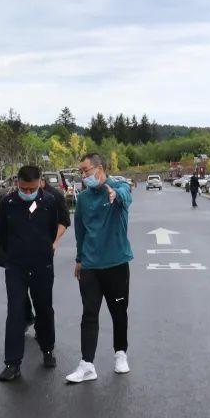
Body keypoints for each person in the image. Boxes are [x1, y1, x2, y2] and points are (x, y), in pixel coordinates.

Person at [0, 164, 68, 382]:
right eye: (24, 188)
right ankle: (12, 363)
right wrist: (16, 252)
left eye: (32, 189)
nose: (27, 193)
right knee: (16, 311)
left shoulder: (50, 201)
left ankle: (47, 349)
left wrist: (51, 244)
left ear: (39, 183)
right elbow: (1, 232)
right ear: (17, 183)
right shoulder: (7, 204)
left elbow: (60, 224)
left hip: (42, 264)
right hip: (15, 265)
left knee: (44, 308)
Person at [66, 153, 134, 383]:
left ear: (99, 168)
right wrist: (79, 259)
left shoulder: (118, 186)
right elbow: (80, 231)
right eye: (81, 172)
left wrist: (116, 194)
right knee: (89, 313)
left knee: (118, 312)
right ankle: (87, 364)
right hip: (90, 265)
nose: (84, 175)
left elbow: (126, 195)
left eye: (86, 170)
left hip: (116, 263)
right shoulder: (83, 198)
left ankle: (120, 354)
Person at [24, 174, 71, 332]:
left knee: (41, 291)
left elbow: (65, 221)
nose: (28, 190)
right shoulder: (28, 197)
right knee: (20, 287)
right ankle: (26, 316)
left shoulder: (55, 197)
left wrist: (54, 240)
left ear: (41, 182)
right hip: (25, 249)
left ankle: (42, 327)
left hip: (45, 249)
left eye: (32, 186)